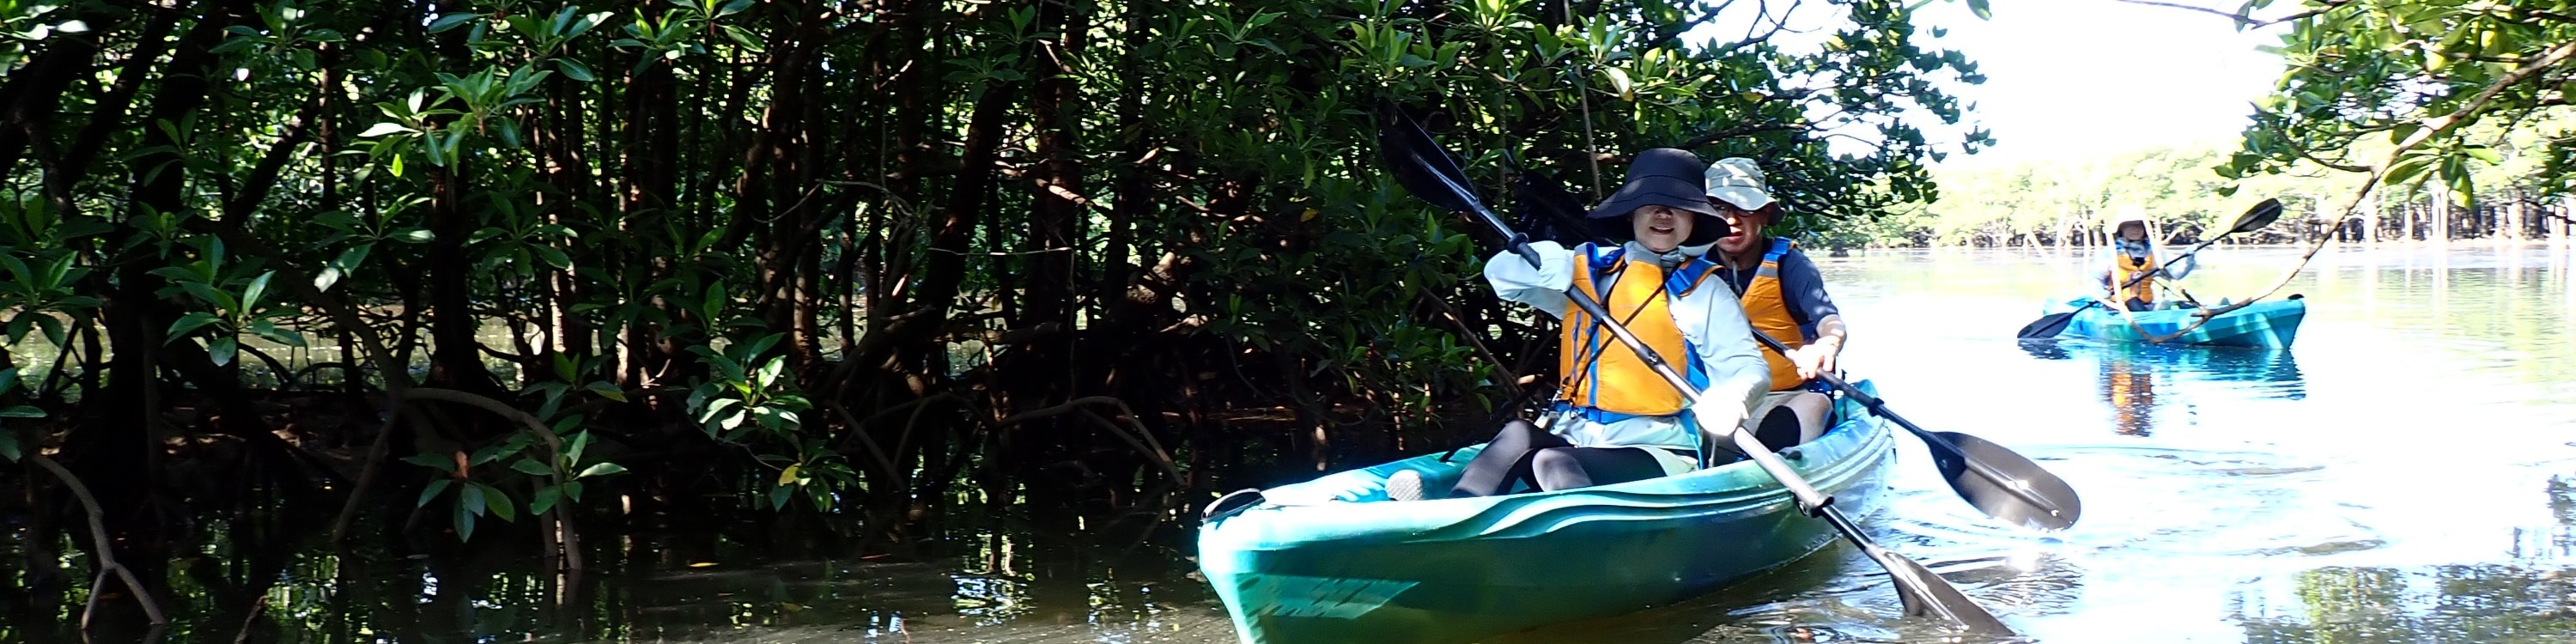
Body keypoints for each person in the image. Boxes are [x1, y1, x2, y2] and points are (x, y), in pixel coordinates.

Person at [1391, 149, 1774, 501]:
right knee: (1518, 433)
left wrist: (1734, 398)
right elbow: (1502, 280)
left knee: (1552, 463)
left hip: (1661, 450)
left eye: (1677, 208)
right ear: (1631, 213)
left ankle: (1581, 550)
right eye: (1650, 205)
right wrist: (1533, 264)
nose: (1662, 215)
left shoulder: (1705, 293)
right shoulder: (1588, 270)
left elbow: (1748, 368)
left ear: (1694, 221)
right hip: (1576, 434)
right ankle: (1452, 518)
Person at [1703, 157, 1844, 447]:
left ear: (1764, 215)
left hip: (1786, 396)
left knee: (1813, 405)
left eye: (1744, 209)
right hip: (1709, 399)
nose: (1731, 220)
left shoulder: (1791, 264)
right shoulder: (1687, 268)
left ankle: (1784, 454)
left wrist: (1826, 344)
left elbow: (1829, 320)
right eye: (1720, 208)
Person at [2093, 207, 2196, 312]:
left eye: (2139, 225)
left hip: (2145, 305)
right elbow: (2095, 279)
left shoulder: (2155, 252)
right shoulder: (2109, 252)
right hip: (2117, 308)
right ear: (2121, 229)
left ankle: (2155, 313)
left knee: (2148, 305)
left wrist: (2189, 260)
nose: (2135, 229)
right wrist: (2101, 293)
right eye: (2130, 226)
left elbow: (2175, 275)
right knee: (2133, 301)